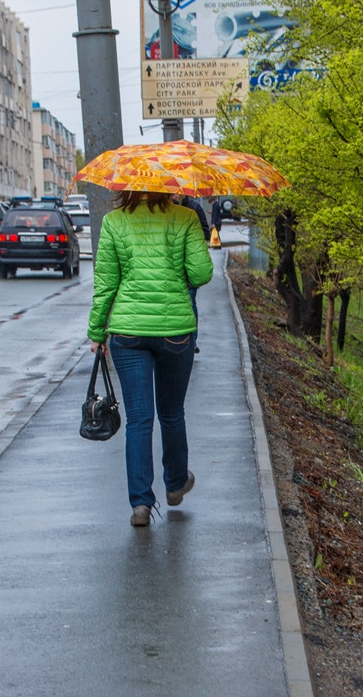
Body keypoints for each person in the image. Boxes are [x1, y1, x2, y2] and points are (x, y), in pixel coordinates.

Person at [88, 190, 214, 527]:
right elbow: (201, 274)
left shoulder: (113, 222)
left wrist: (97, 332)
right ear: (167, 185)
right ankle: (175, 484)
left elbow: (105, 284)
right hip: (175, 330)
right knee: (171, 412)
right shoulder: (185, 217)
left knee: (139, 419)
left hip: (128, 333)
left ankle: (141, 505)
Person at [174, 194, 209, 353]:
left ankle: (191, 340)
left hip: (187, 266)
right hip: (173, 267)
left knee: (190, 301)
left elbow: (205, 234)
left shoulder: (194, 208)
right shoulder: (164, 210)